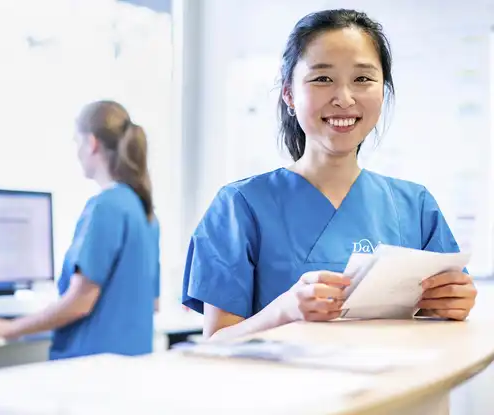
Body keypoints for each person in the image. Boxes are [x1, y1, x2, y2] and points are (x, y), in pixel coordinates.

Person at [181, 9, 477, 341]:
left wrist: (453, 304)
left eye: (363, 79)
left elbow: (440, 321)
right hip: (283, 392)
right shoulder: (239, 207)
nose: (344, 98)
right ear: (289, 94)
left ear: (383, 91)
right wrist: (285, 310)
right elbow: (215, 344)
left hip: (395, 391)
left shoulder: (416, 206)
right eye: (322, 78)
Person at [0, 100, 161, 359]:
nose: (76, 151)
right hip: (129, 372)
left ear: (92, 143)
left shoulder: (107, 205)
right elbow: (153, 303)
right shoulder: (145, 211)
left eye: (77, 142)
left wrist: (8, 328)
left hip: (91, 373)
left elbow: (80, 302)